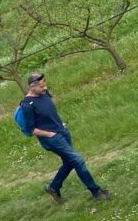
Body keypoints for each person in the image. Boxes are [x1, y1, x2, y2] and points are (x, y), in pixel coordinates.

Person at [17, 72, 112, 203]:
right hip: (52, 139)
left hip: (62, 131)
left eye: (45, 85)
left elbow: (49, 110)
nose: (45, 88)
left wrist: (60, 125)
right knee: (78, 161)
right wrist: (50, 134)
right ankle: (96, 192)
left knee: (69, 162)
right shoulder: (27, 105)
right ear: (32, 87)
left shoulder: (44, 93)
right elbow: (31, 129)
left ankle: (53, 187)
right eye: (41, 87)